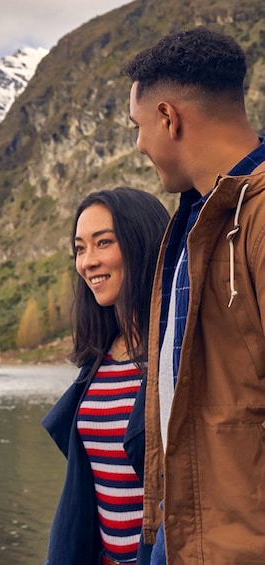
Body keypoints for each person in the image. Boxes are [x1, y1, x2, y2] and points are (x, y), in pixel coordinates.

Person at [124, 27, 265, 563]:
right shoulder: (194, 222)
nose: (139, 145)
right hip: (187, 531)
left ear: (169, 117)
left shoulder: (258, 218)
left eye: (139, 127)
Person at [43, 187, 169, 565]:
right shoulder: (98, 360)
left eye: (103, 243)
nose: (88, 262)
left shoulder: (174, 354)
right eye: (80, 249)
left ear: (141, 244)